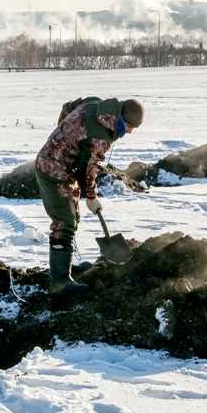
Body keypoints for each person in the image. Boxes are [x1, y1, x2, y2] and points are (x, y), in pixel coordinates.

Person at [35, 97, 144, 297]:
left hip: (62, 166)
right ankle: (59, 283)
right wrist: (91, 197)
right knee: (64, 222)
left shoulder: (96, 104)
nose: (129, 132)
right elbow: (91, 171)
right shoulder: (101, 137)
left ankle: (65, 269)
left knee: (71, 217)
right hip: (54, 171)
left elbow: (68, 106)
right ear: (121, 119)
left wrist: (65, 137)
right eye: (129, 127)